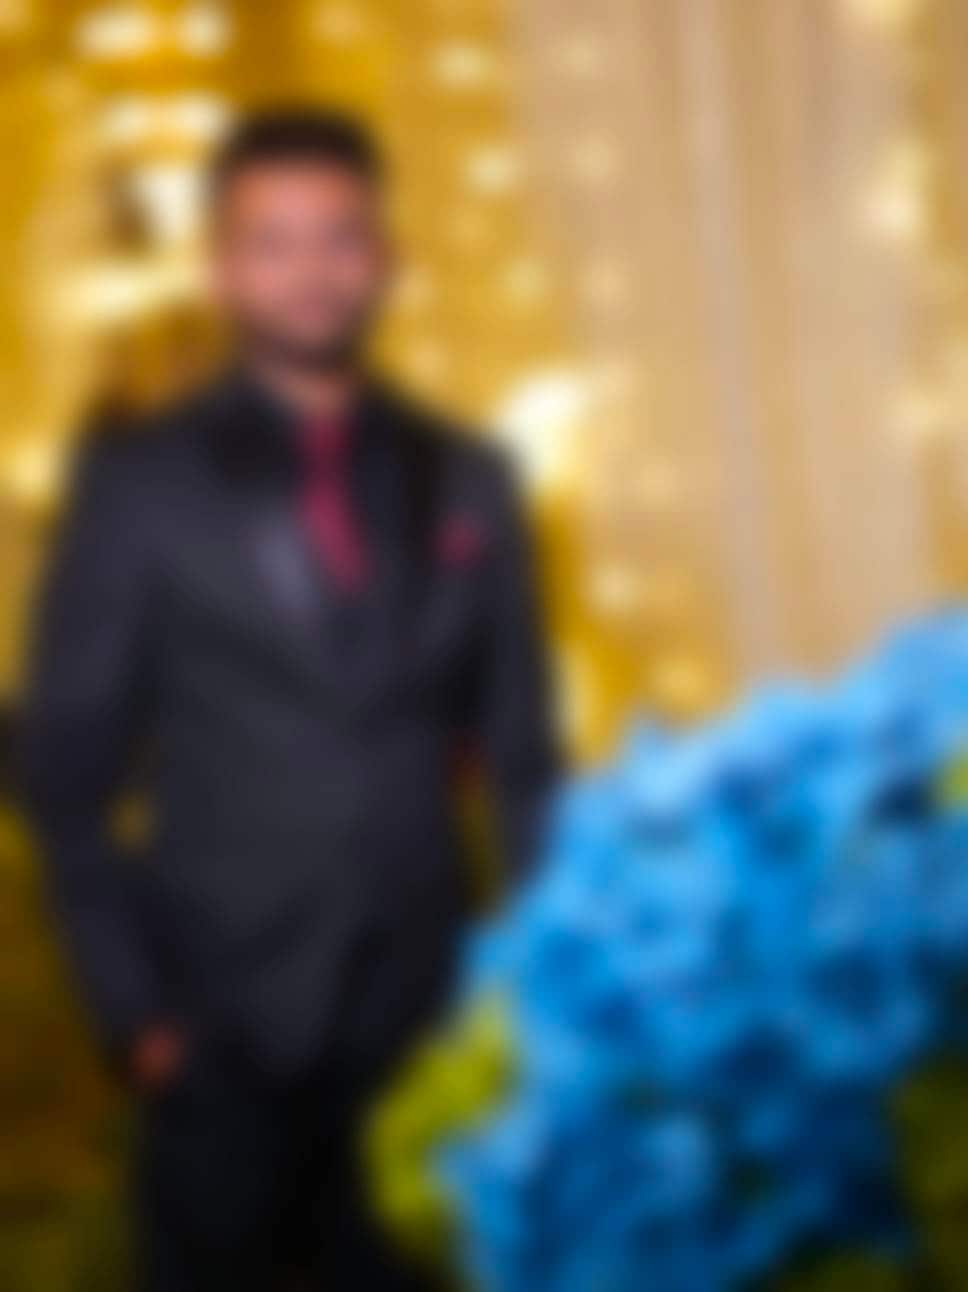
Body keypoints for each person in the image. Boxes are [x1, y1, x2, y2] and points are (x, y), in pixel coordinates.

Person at [21, 107, 560, 1292]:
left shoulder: (473, 477)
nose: (309, 271)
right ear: (220, 269)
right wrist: (137, 1016)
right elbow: (64, 778)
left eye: (338, 237)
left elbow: (523, 755)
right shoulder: (137, 481)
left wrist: (534, 993)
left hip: (426, 1020)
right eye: (271, 241)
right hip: (214, 1029)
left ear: (384, 259)